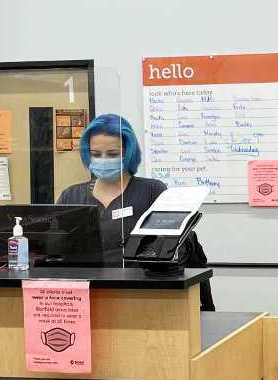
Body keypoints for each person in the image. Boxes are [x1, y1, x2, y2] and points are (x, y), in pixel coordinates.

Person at [57, 113, 214, 310]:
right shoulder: (71, 196)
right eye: (96, 154)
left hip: (143, 299)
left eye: (112, 154)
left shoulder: (152, 191)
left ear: (128, 153)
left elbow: (171, 250)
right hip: (86, 302)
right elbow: (53, 252)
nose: (103, 160)